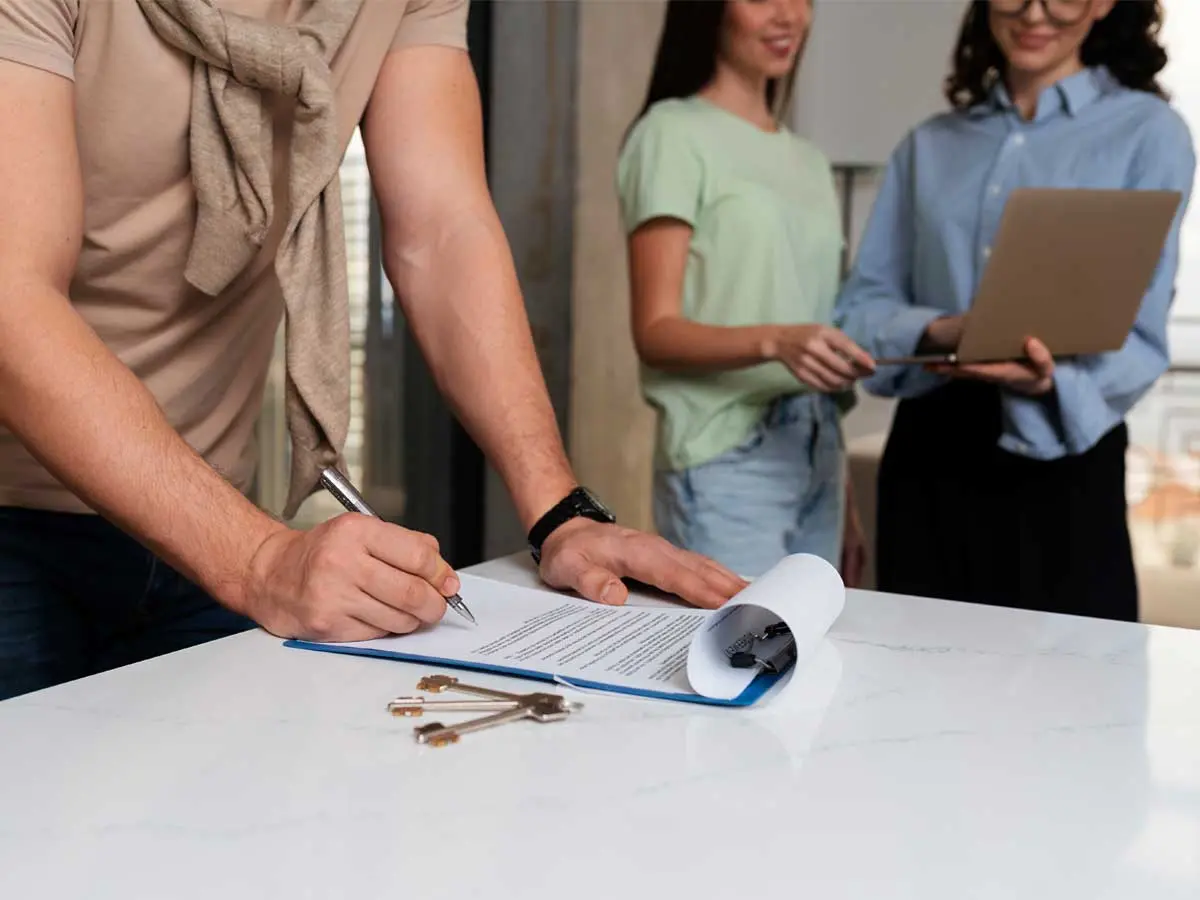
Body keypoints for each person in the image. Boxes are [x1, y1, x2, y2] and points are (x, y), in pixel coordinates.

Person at [0, 0, 748, 702]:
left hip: (205, 508)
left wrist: (561, 513)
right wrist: (261, 559)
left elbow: (442, 228)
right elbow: (12, 299)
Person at [835, 0, 1195, 621]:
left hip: (1064, 459)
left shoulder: (1148, 133)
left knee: (1074, 698)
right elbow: (859, 310)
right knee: (916, 691)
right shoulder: (930, 145)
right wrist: (946, 329)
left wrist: (1052, 376)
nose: (1034, 13)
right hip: (930, 455)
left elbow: (1140, 334)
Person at [615, 0, 875, 582]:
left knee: (808, 654)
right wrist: (776, 342)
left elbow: (818, 328)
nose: (788, 16)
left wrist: (846, 498)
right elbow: (654, 331)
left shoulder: (807, 159)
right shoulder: (670, 133)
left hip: (816, 448)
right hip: (727, 455)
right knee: (742, 659)